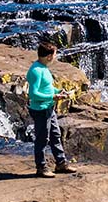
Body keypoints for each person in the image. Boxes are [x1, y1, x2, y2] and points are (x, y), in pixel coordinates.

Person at [27, 42, 76, 178]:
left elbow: (47, 87)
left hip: (49, 107)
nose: (55, 58)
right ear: (49, 56)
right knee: (42, 139)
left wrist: (58, 91)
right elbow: (33, 94)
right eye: (54, 55)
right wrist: (53, 96)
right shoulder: (36, 71)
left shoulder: (44, 68)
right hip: (41, 109)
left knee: (55, 135)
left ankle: (61, 163)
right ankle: (41, 167)